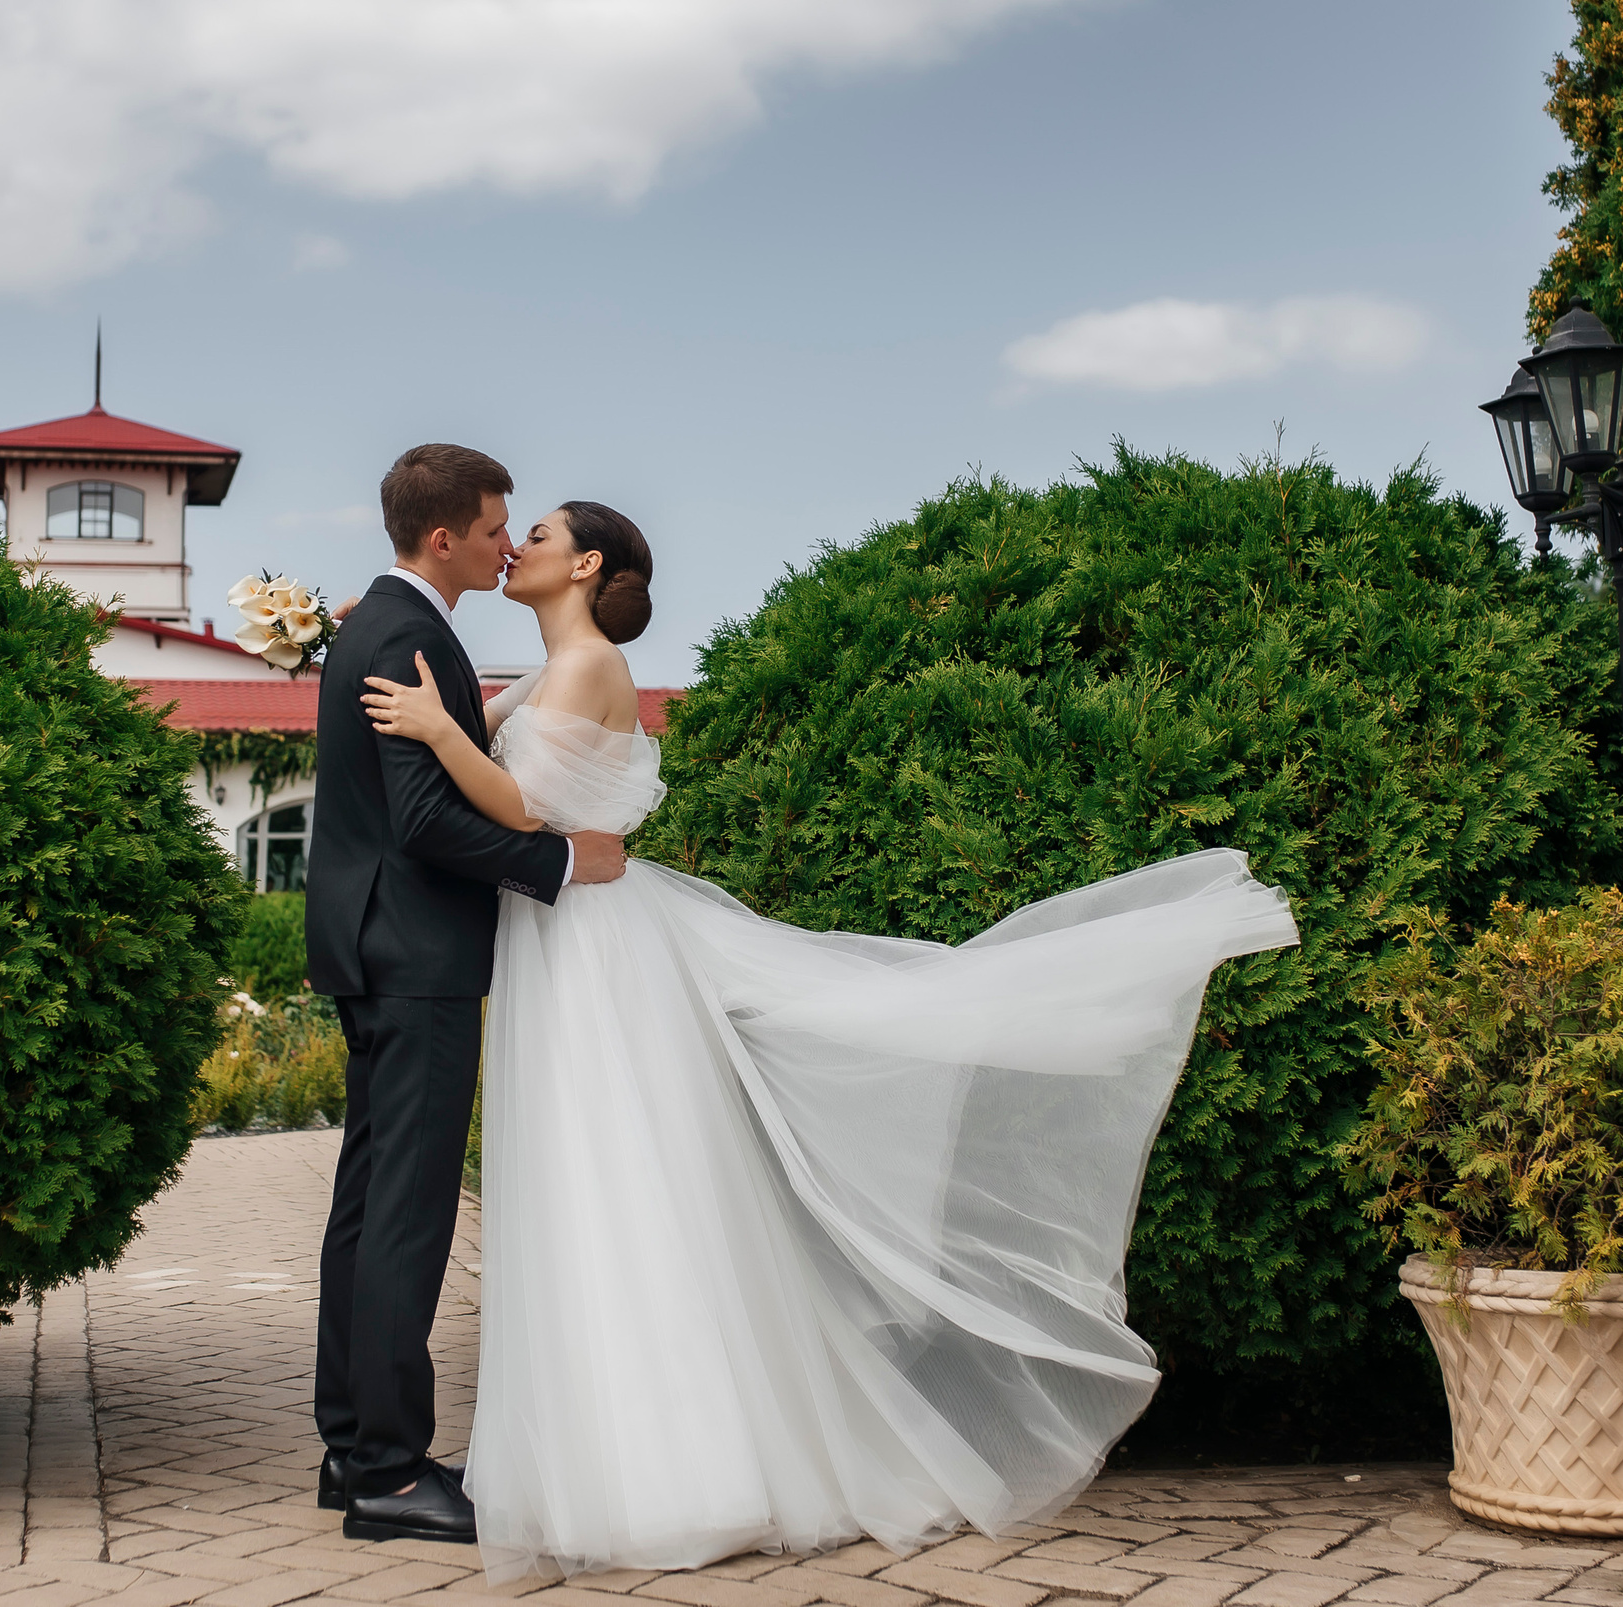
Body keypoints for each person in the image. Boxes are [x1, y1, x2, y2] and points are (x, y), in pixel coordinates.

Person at [359, 498, 1302, 1581]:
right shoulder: (552, 664)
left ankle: (674, 1468)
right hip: (567, 937)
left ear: (584, 564)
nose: (515, 542)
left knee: (614, 1177)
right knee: (597, 1181)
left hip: (591, 952)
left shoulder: (589, 664)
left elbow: (523, 810)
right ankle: (621, 1449)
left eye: (538, 533)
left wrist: (438, 731)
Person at [305, 445, 629, 1545]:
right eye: (496, 528)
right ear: (443, 537)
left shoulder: (382, 624)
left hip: (372, 947)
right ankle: (392, 1475)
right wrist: (555, 866)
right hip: (416, 956)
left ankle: (354, 1444)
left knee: (364, 1207)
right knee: (404, 1217)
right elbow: (427, 821)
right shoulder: (401, 633)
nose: (505, 546)